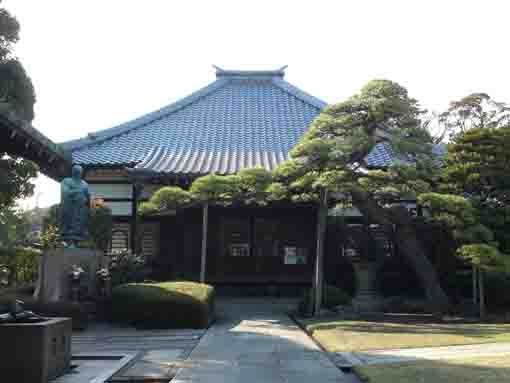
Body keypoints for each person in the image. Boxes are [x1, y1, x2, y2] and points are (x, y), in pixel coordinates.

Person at [60, 165, 90, 246]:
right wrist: (78, 192)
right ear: (72, 172)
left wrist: (85, 199)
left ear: (81, 173)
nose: (78, 174)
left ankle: (80, 235)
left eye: (79, 172)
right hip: (70, 207)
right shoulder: (66, 181)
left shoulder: (85, 184)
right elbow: (65, 192)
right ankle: (69, 237)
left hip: (82, 209)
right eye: (76, 172)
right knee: (69, 224)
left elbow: (88, 197)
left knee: (81, 222)